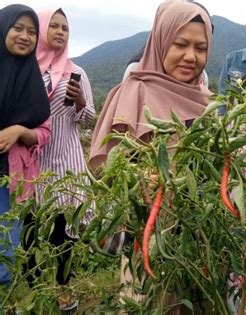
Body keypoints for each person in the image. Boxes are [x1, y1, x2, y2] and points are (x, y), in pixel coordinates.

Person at [89, 0, 213, 310]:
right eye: (180, 44)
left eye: (200, 47)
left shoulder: (207, 100)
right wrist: (141, 177)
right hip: (148, 235)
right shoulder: (133, 93)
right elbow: (109, 172)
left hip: (203, 237)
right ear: (159, 42)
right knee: (152, 302)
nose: (190, 56)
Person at [21, 8, 96, 311]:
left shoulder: (76, 72)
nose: (60, 31)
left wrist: (80, 101)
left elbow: (90, 118)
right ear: (41, 30)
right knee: (30, 225)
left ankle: (64, 286)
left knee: (63, 230)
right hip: (32, 160)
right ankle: (33, 284)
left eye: (65, 27)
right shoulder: (25, 71)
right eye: (53, 25)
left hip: (66, 158)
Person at [0, 4, 51, 287]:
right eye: (17, 28)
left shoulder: (32, 78)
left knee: (6, 250)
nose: (25, 36)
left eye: (32, 32)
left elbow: (44, 131)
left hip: (12, 179)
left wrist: (19, 130)